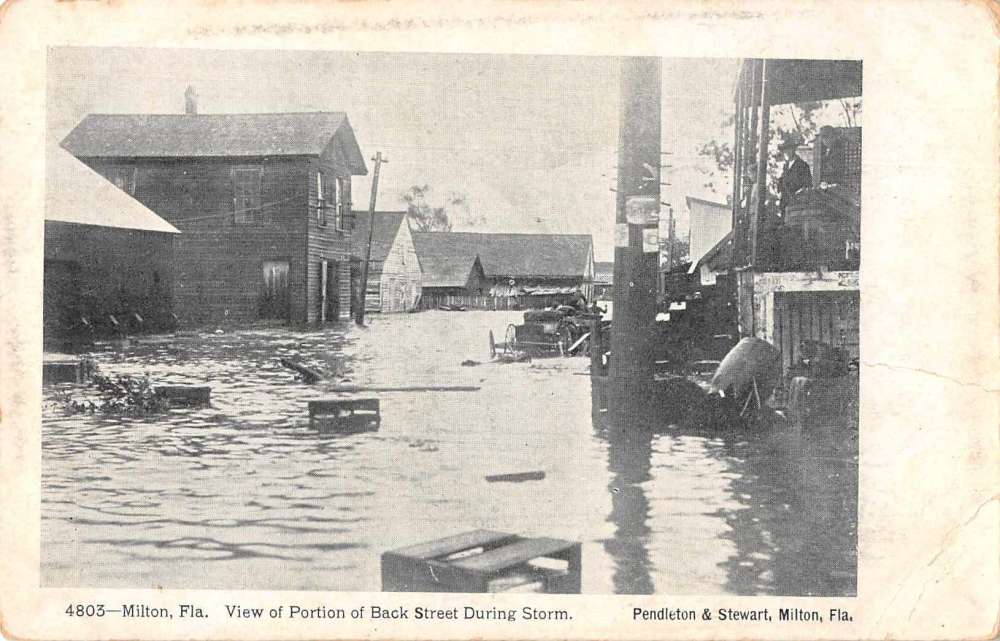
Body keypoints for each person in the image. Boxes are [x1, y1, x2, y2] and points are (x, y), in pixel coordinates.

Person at [776, 132, 812, 216]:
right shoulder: (786, 166)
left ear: (793, 150)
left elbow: (807, 185)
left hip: (797, 204)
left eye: (788, 149)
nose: (786, 152)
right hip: (785, 203)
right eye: (784, 150)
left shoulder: (802, 165)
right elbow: (783, 182)